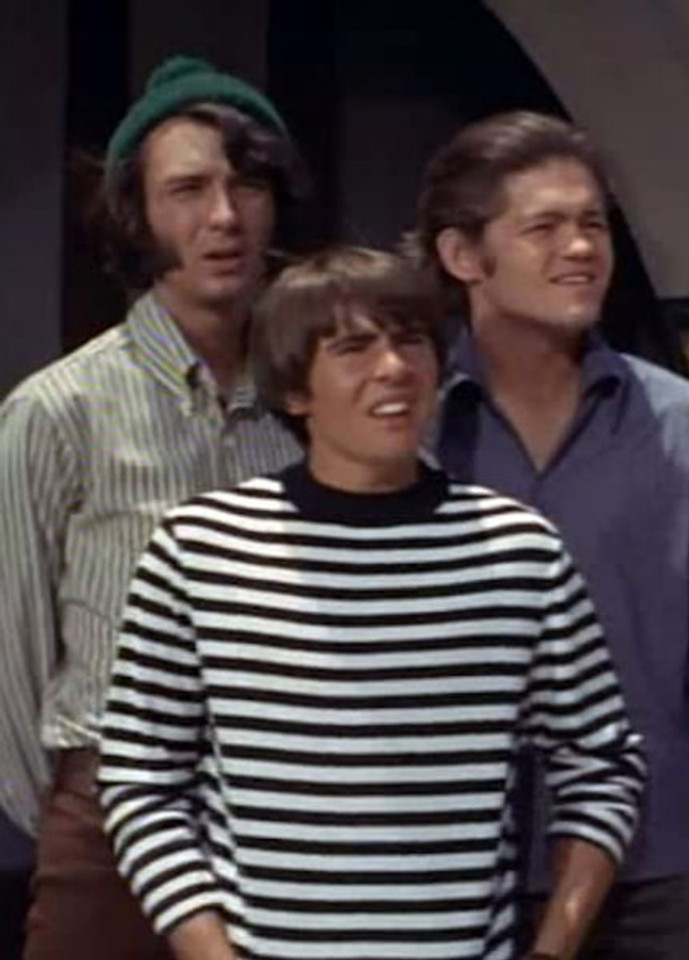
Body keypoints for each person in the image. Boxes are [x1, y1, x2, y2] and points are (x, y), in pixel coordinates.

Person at [96, 246, 646, 960]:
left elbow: (602, 764)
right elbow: (141, 781)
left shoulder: (519, 550)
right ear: (295, 391)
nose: (394, 367)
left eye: (411, 340)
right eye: (353, 348)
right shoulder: (200, 549)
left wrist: (552, 949)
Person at [409, 111, 689, 960]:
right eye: (544, 228)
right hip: (442, 868)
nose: (582, 248)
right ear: (463, 255)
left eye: (593, 224)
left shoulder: (680, 426)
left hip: (644, 869)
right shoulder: (413, 427)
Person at [0, 55, 306, 958]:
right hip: (109, 814)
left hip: (280, 807)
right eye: (188, 190)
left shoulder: (311, 402)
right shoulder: (61, 408)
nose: (224, 217)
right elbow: (13, 650)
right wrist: (76, 811)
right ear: (137, 214)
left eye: (247, 186)